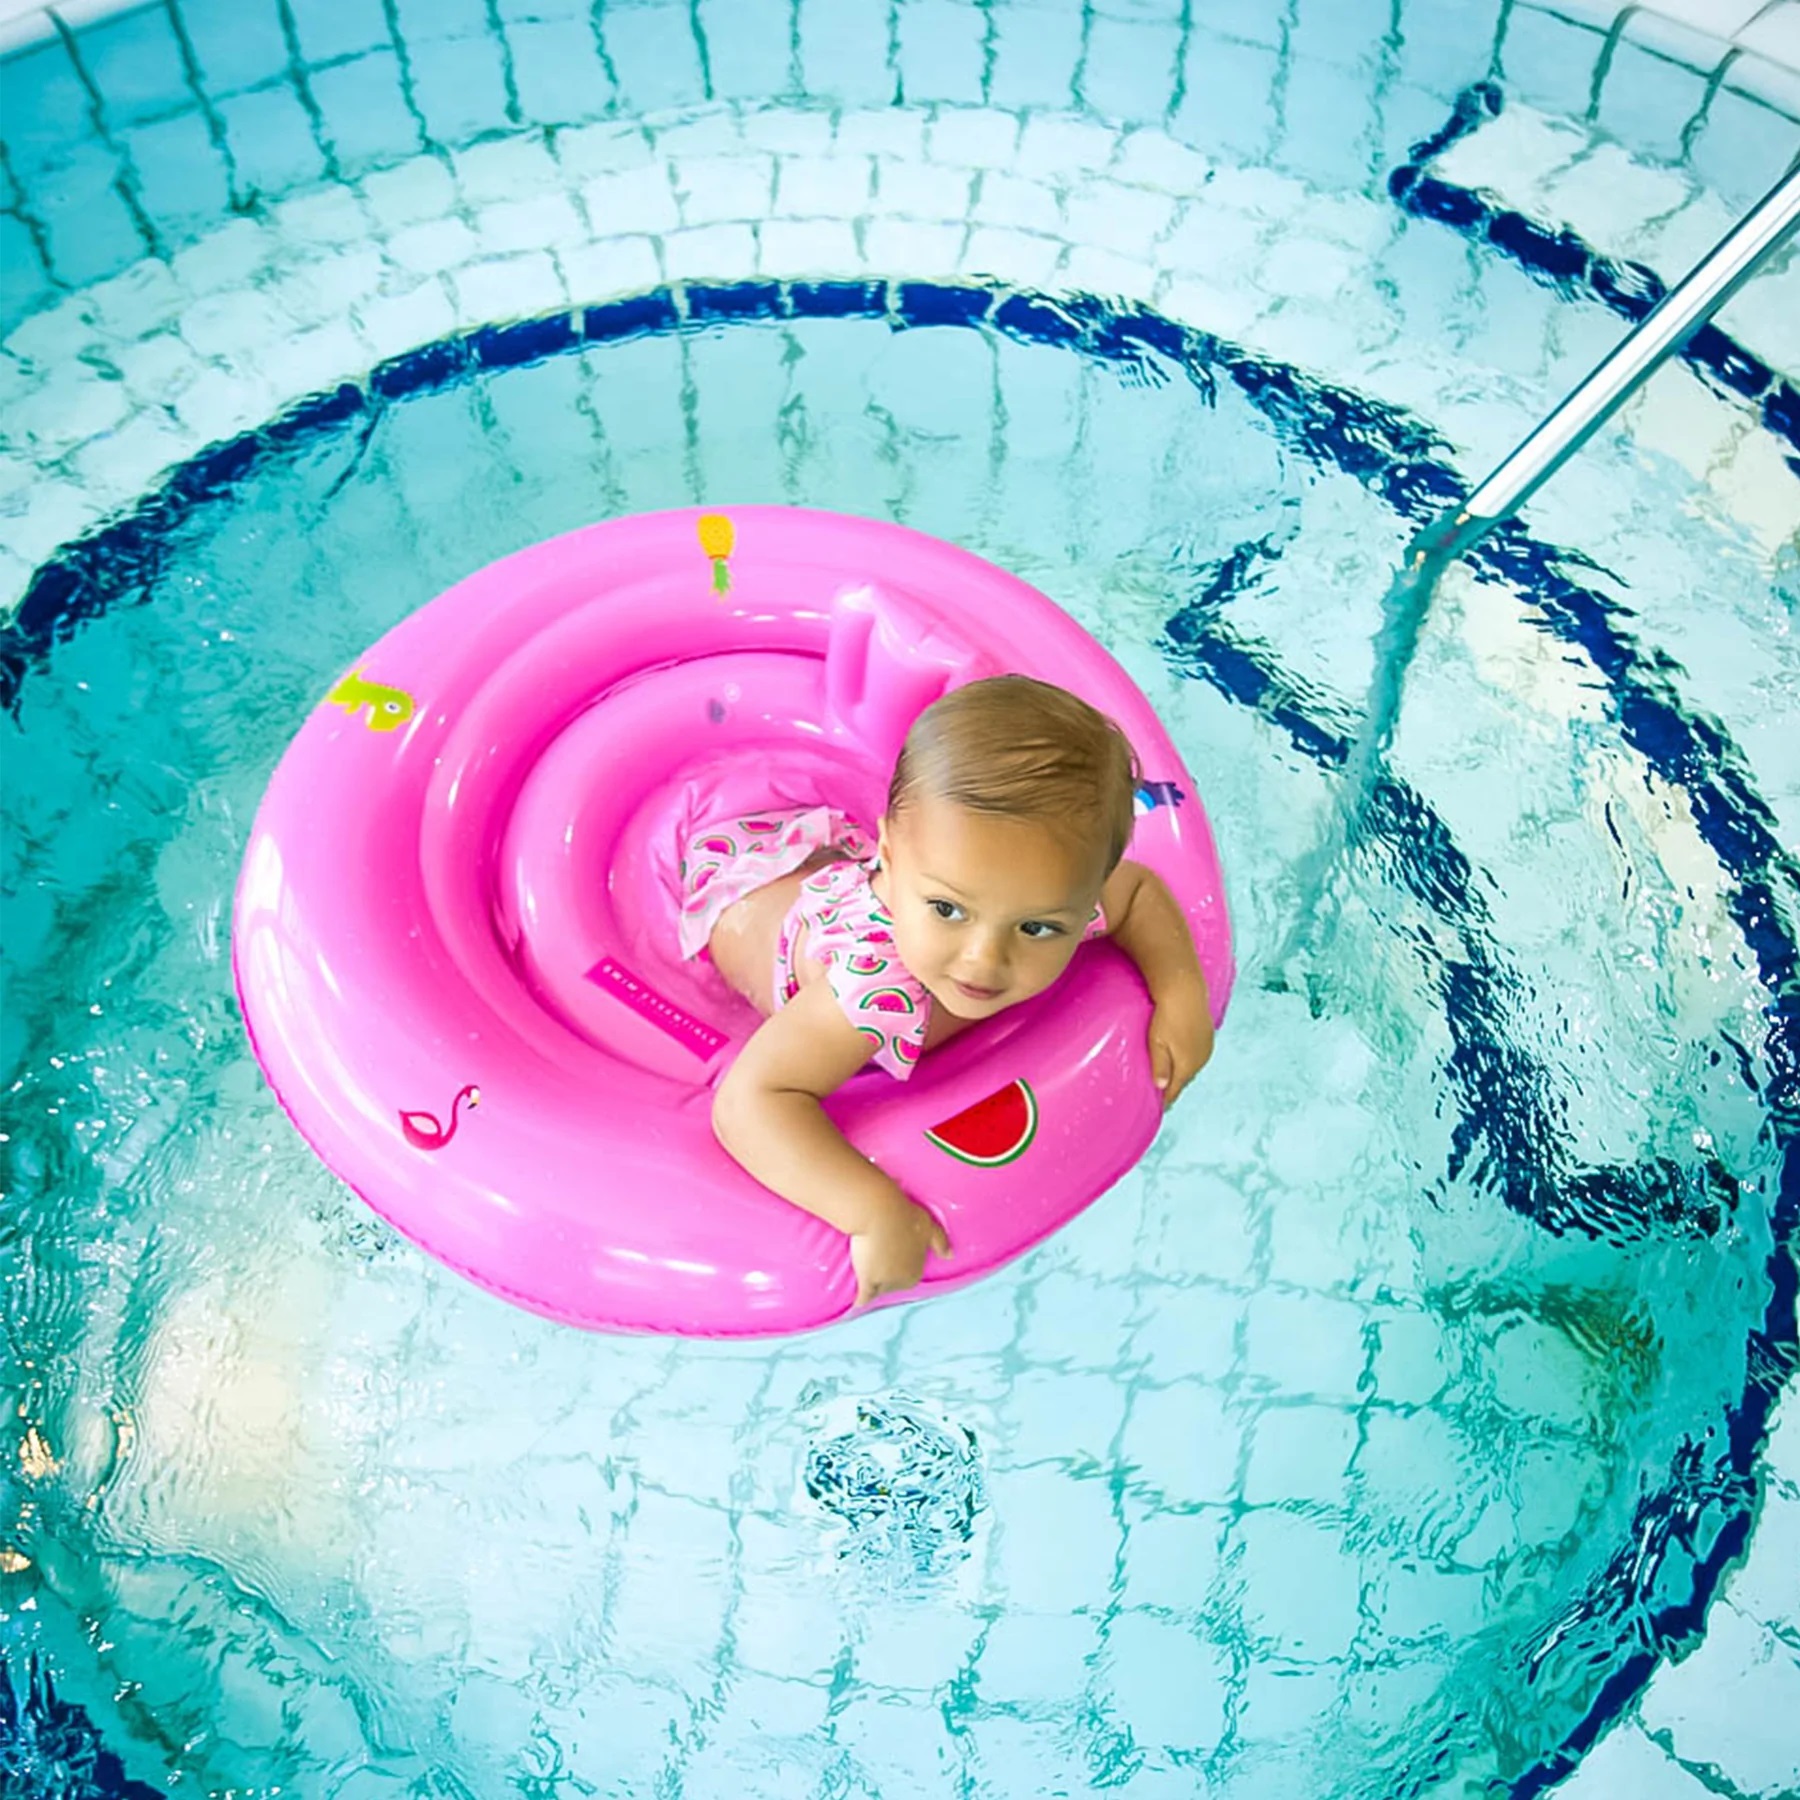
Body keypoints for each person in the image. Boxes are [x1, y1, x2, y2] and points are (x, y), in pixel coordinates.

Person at [677, 675, 1214, 1307]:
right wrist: (870, 1209)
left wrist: (1182, 994)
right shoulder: (873, 993)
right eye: (949, 910)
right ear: (890, 858)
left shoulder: (1040, 891)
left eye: (1037, 928)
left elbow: (1139, 893)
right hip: (745, 887)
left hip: (864, 870)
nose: (986, 959)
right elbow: (751, 1101)